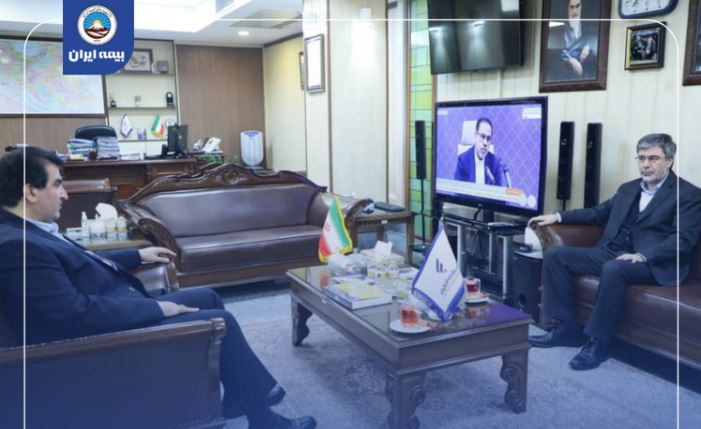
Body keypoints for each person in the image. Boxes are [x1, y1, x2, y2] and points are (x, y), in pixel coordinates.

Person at [0, 147, 316, 429]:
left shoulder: (29, 231)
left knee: (208, 295)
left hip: (112, 305)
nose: (65, 194)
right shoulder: (18, 247)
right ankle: (263, 415)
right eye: (57, 184)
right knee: (223, 321)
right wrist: (157, 308)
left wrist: (137, 254)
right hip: (102, 338)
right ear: (30, 191)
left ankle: (241, 397)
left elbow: (80, 263)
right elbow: (73, 315)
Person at [528, 134, 701, 371]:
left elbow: (682, 240)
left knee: (614, 269)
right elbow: (598, 213)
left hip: (652, 263)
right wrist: (558, 216)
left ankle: (597, 342)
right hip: (611, 252)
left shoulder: (688, 194)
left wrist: (643, 256)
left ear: (669, 161)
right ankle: (565, 329)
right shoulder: (628, 188)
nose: (645, 164)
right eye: (641, 158)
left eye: (653, 158)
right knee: (556, 255)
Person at [454, 118, 508, 186]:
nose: (485, 143)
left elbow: (499, 190)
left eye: (488, 138)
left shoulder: (496, 163)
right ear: (475, 136)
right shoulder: (463, 160)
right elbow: (458, 190)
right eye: (482, 136)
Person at [559, 0, 597, 79]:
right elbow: (558, 51)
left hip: (587, 67)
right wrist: (571, 60)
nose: (575, 11)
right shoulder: (561, 27)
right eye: (571, 7)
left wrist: (588, 46)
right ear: (567, 8)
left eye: (577, 6)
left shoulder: (588, 24)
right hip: (567, 68)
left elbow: (593, 40)